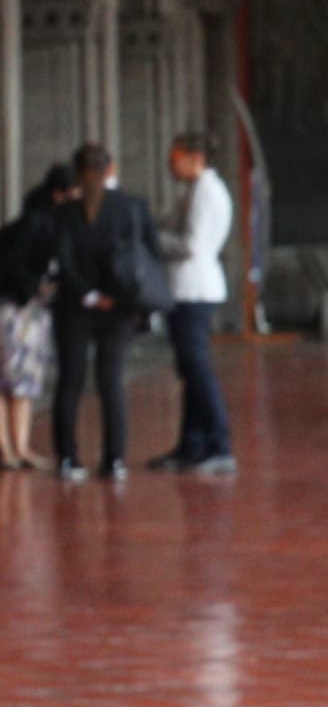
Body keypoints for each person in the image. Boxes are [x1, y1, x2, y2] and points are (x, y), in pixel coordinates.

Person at [48, 141, 166, 486]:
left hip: (74, 305)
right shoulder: (132, 207)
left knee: (70, 381)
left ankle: (68, 458)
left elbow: (62, 260)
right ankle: (114, 459)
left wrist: (87, 293)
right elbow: (150, 257)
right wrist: (115, 295)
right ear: (109, 170)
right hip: (120, 307)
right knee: (111, 381)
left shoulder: (65, 214)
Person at [0, 167, 70, 472]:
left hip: (28, 313)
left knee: (23, 381)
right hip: (8, 309)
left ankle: (19, 446)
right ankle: (4, 448)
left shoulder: (40, 224)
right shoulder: (34, 226)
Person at [151, 131, 238, 475]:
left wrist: (151, 238)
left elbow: (191, 245)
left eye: (174, 160)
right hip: (185, 288)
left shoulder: (206, 192)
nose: (170, 166)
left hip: (194, 288)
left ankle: (219, 443)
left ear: (194, 157)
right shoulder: (196, 190)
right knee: (189, 370)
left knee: (198, 370)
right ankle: (192, 444)